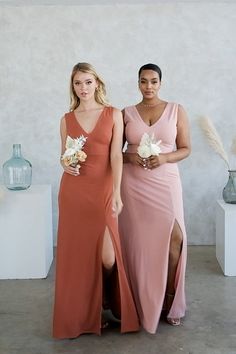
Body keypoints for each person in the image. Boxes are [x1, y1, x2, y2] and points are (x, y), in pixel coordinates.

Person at [53, 62, 139, 339]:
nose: (84, 88)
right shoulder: (66, 118)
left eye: (88, 82)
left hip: (102, 190)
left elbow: (116, 156)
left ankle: (104, 302)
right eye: (78, 83)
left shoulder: (113, 114)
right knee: (77, 257)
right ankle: (83, 316)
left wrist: (116, 192)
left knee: (108, 258)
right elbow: (65, 157)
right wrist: (64, 164)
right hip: (74, 192)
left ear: (97, 84)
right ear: (73, 87)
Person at [119, 63, 191, 334]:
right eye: (143, 81)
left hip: (166, 180)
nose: (148, 86)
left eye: (153, 81)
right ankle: (142, 300)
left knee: (175, 238)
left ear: (161, 83)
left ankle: (170, 300)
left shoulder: (176, 110)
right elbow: (117, 153)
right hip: (134, 183)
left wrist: (163, 157)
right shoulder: (125, 113)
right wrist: (131, 156)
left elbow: (186, 149)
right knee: (139, 244)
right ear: (137, 83)